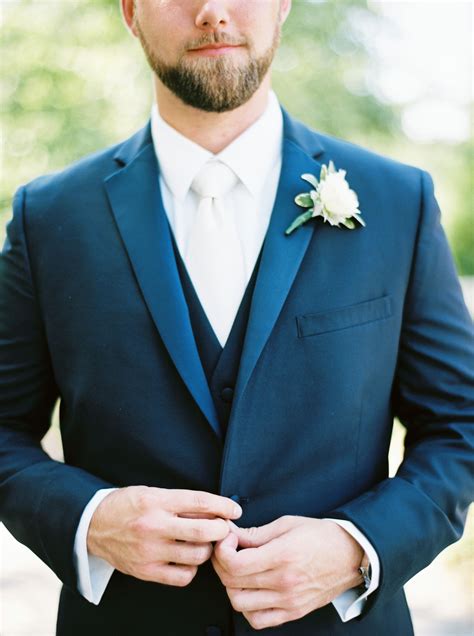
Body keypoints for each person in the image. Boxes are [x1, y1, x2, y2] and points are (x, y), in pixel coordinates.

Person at [0, 1, 472, 634]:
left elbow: (458, 424)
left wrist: (359, 547)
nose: (213, 12)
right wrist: (91, 518)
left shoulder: (398, 202)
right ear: (132, 11)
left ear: (282, 6)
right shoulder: (48, 217)